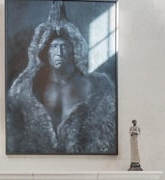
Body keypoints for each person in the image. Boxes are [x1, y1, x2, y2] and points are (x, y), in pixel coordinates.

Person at [6, 1, 116, 154]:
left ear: (74, 50)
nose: (59, 52)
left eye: (64, 46)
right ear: (45, 51)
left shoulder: (99, 87)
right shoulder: (23, 90)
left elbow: (104, 134)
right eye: (54, 46)